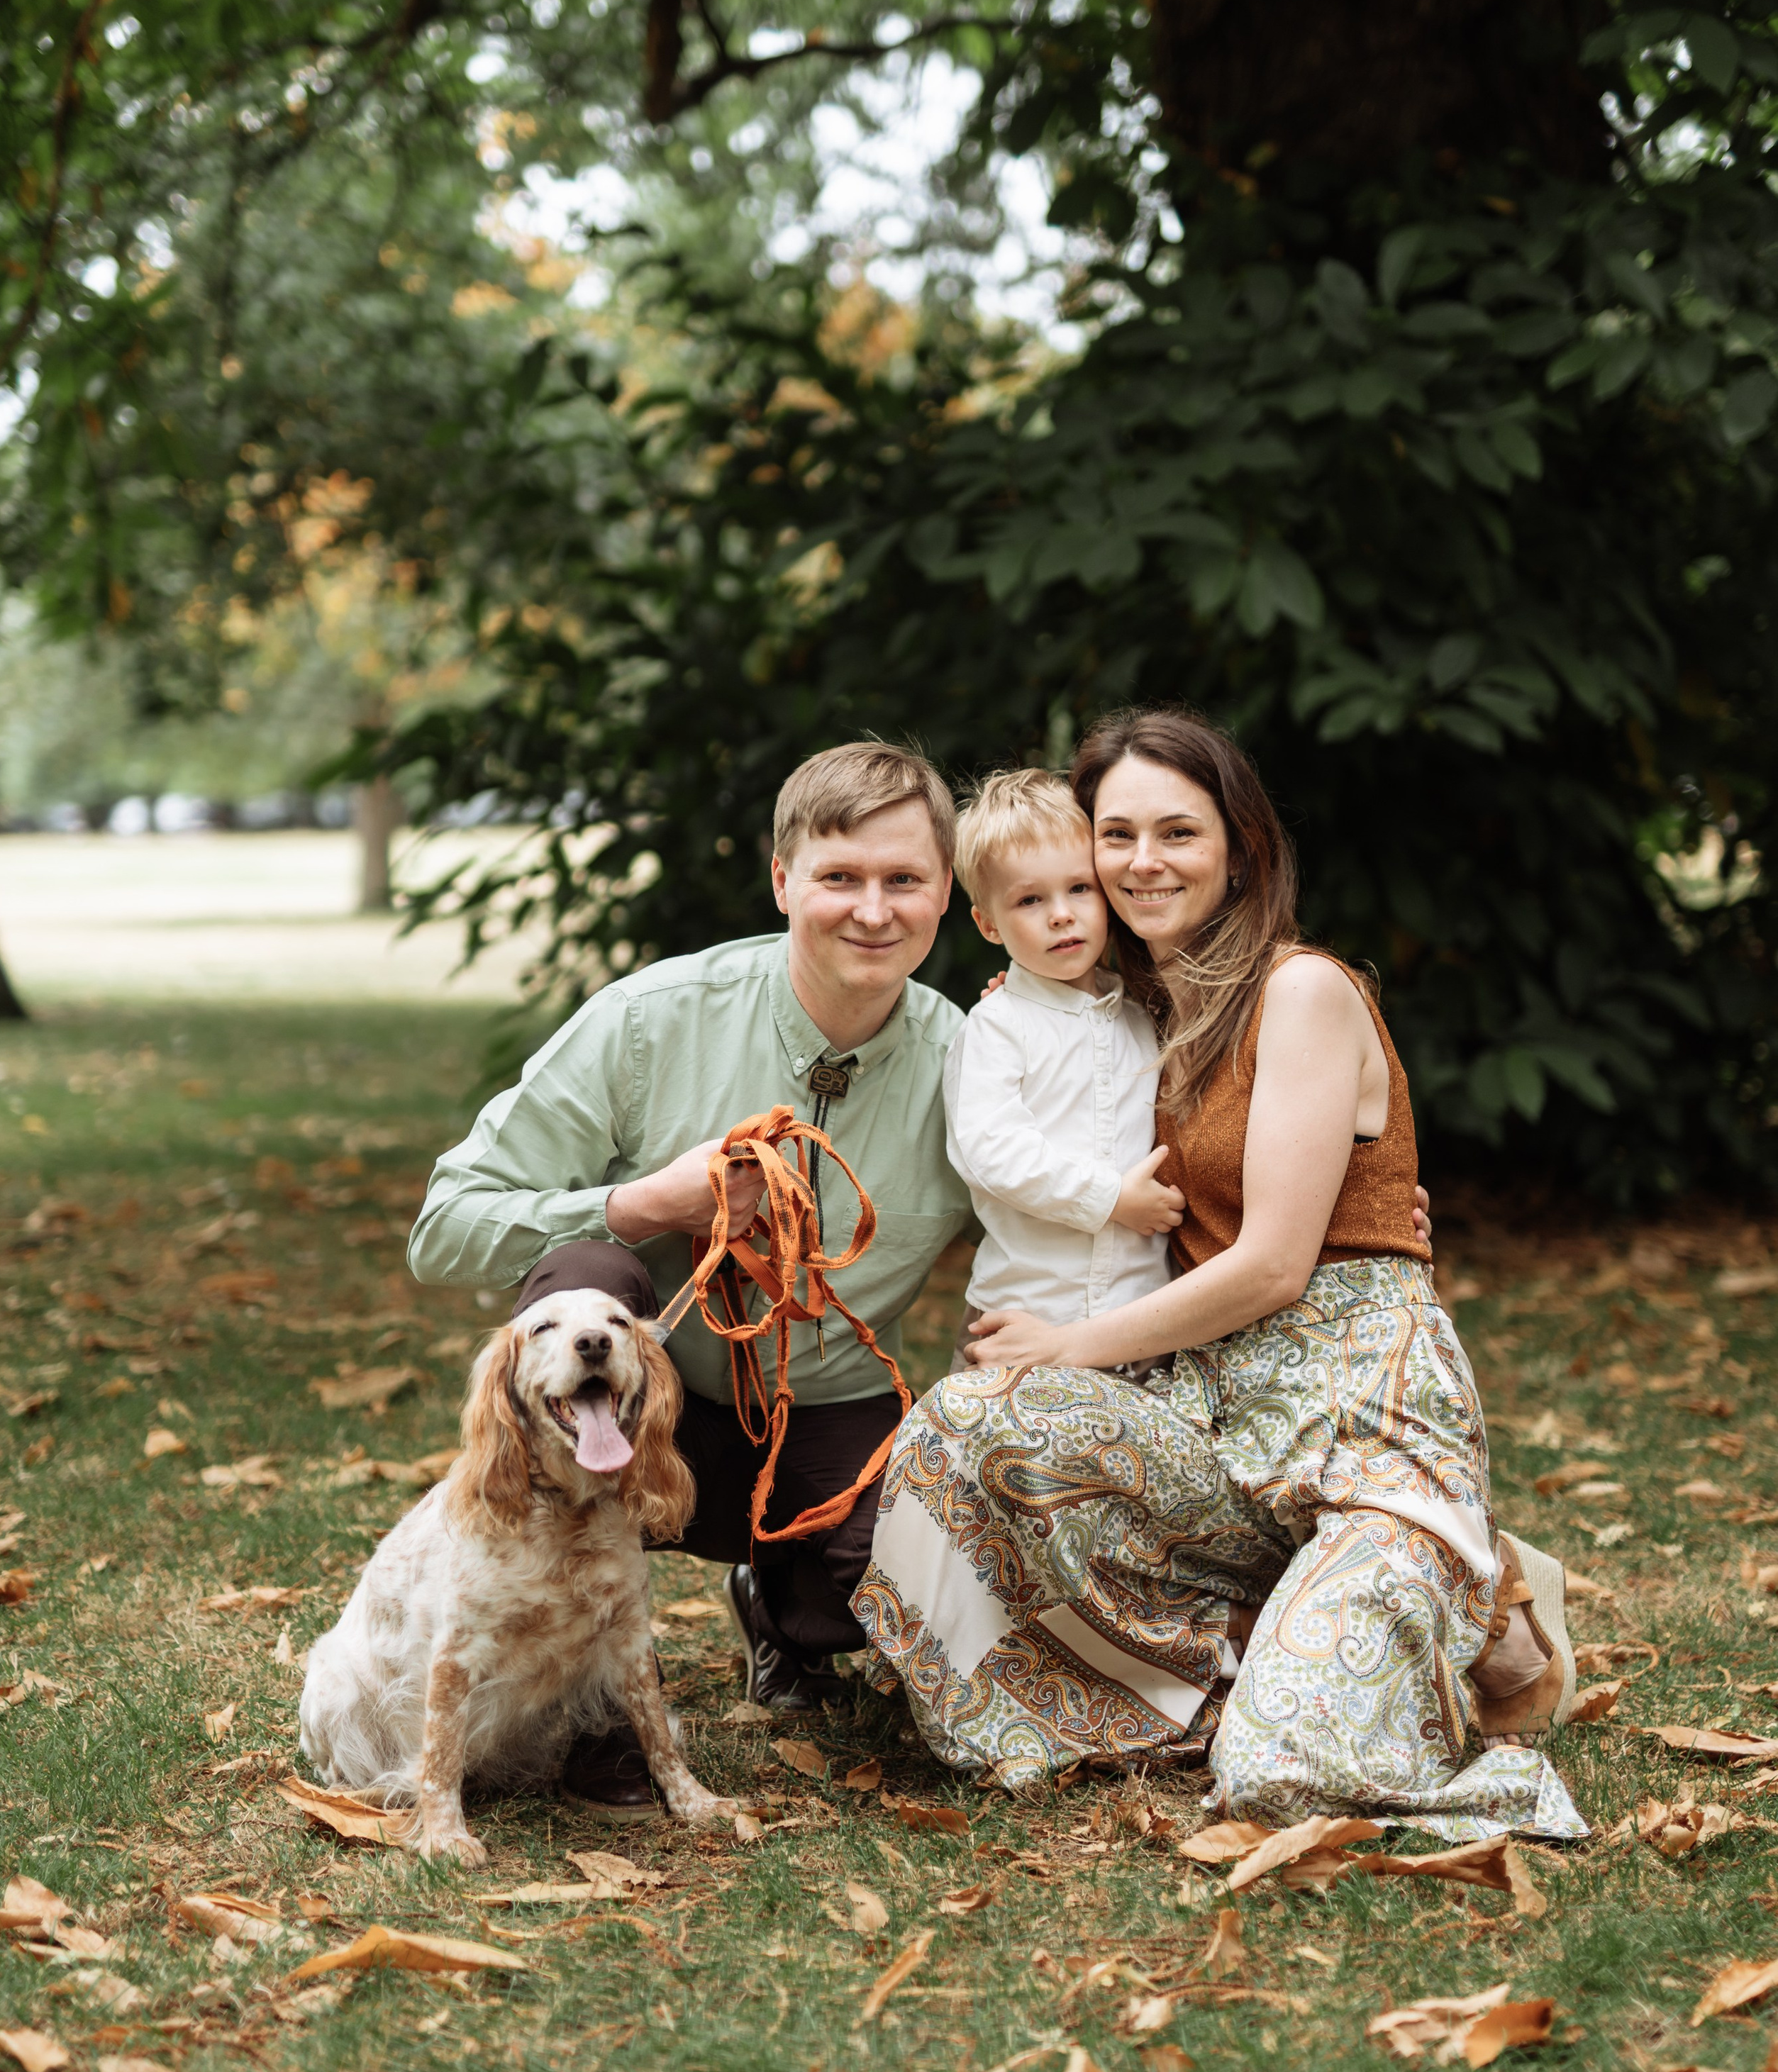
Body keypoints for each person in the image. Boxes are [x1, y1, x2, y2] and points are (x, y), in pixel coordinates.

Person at [856, 708, 1584, 1842]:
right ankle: (1310, 1622)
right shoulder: (1139, 1006)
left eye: (1179, 833)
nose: (1142, 862)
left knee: (1284, 1774)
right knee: (966, 1424)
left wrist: (1070, 1344)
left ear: (1241, 846)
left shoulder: (1299, 989)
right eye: (1117, 834)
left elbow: (1276, 1264)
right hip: (1215, 1409)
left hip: (1353, 1416)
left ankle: (1457, 1588)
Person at [406, 742, 977, 1805]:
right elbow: (444, 1228)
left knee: (905, 1591)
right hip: (624, 1417)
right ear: (781, 881)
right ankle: (587, 1706)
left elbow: (1076, 1214)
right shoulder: (649, 1019)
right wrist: (647, 1202)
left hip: (824, 1411)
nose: (873, 909)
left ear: (948, 889)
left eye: (905, 880)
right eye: (839, 877)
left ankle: (787, 1607)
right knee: (588, 1267)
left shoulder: (974, 1061)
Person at [942, 769, 1177, 1370]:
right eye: (1030, 899)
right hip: (1022, 1316)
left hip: (1139, 1320)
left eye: (1080, 888)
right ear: (988, 924)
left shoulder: (1144, 1016)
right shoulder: (998, 1026)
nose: (1061, 916)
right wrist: (1110, 1198)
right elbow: (990, 1149)